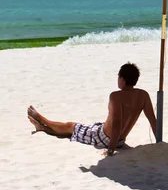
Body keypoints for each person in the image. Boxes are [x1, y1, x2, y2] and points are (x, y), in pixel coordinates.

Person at [27, 62, 157, 156]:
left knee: (71, 127)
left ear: (122, 79)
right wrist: (159, 142)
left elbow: (117, 123)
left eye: (118, 77)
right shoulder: (143, 95)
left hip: (105, 138)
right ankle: (42, 128)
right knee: (80, 129)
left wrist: (110, 150)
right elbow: (153, 120)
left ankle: (41, 119)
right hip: (120, 140)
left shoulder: (116, 96)